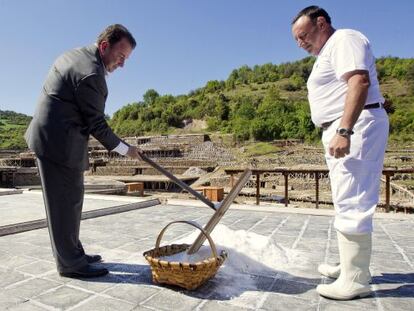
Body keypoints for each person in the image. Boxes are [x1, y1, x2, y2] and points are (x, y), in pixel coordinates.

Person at [25, 24, 141, 278]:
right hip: (57, 144)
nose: (122, 65)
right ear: (104, 46)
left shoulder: (78, 55)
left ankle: (73, 252)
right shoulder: (92, 75)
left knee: (72, 199)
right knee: (63, 204)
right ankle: (70, 264)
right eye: (121, 57)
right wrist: (126, 150)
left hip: (61, 139)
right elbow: (97, 124)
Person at [291, 6, 389, 299]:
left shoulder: (344, 39)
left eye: (303, 35)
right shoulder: (329, 51)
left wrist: (344, 130)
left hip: (353, 127)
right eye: (296, 40)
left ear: (321, 23)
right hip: (344, 127)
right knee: (345, 197)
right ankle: (351, 266)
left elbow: (359, 81)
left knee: (353, 199)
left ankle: (355, 278)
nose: (301, 43)